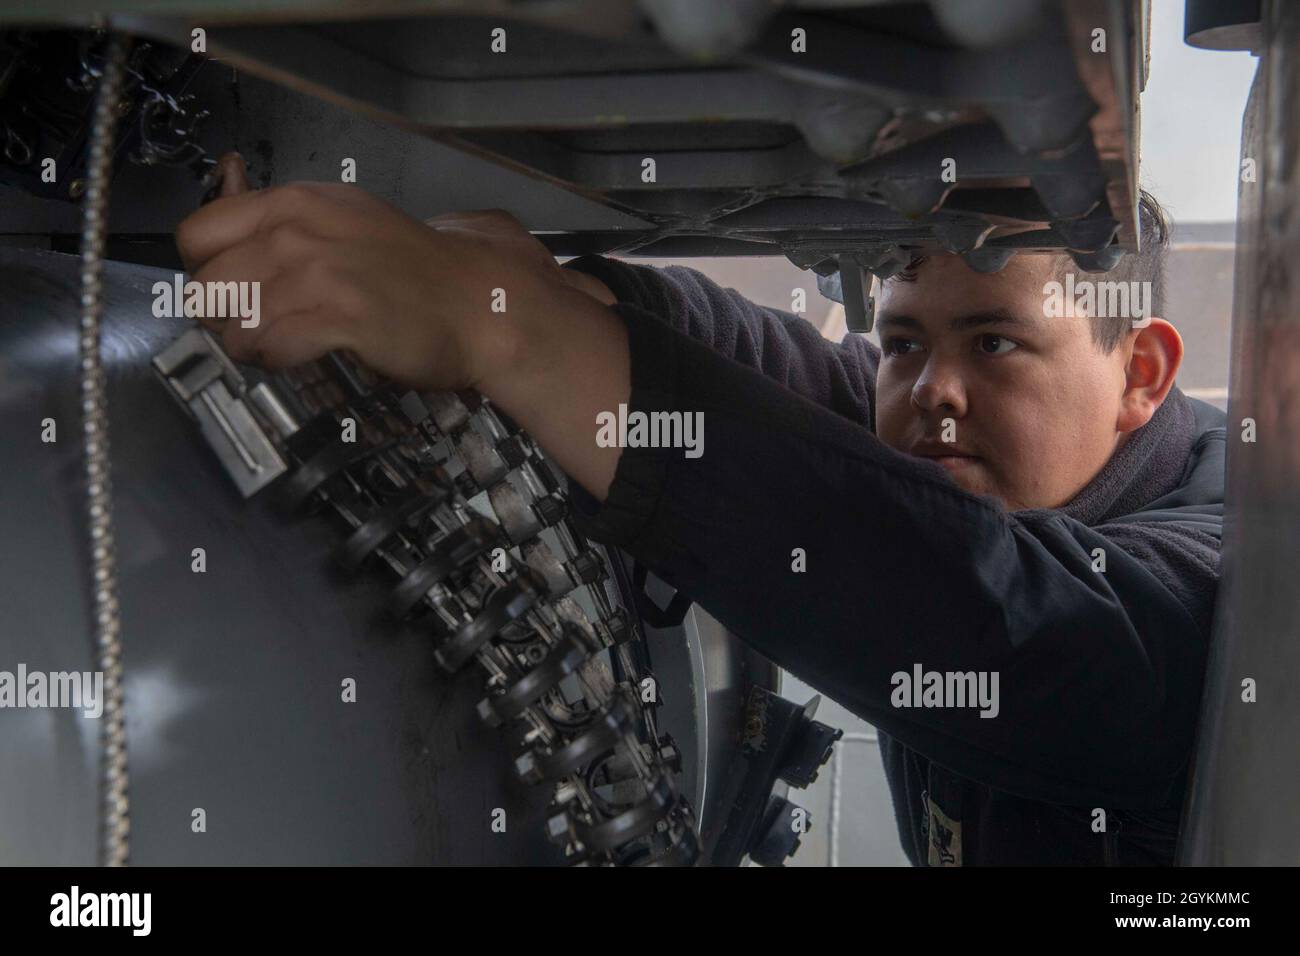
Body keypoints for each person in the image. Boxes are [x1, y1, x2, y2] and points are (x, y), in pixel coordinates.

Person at [175, 153, 1224, 865]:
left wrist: (512, 337)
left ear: (1141, 372)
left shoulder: (1217, 575)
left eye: (994, 342)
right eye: (907, 343)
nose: (932, 392)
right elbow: (800, 379)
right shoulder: (969, 441)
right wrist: (559, 295)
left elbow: (1000, 613)